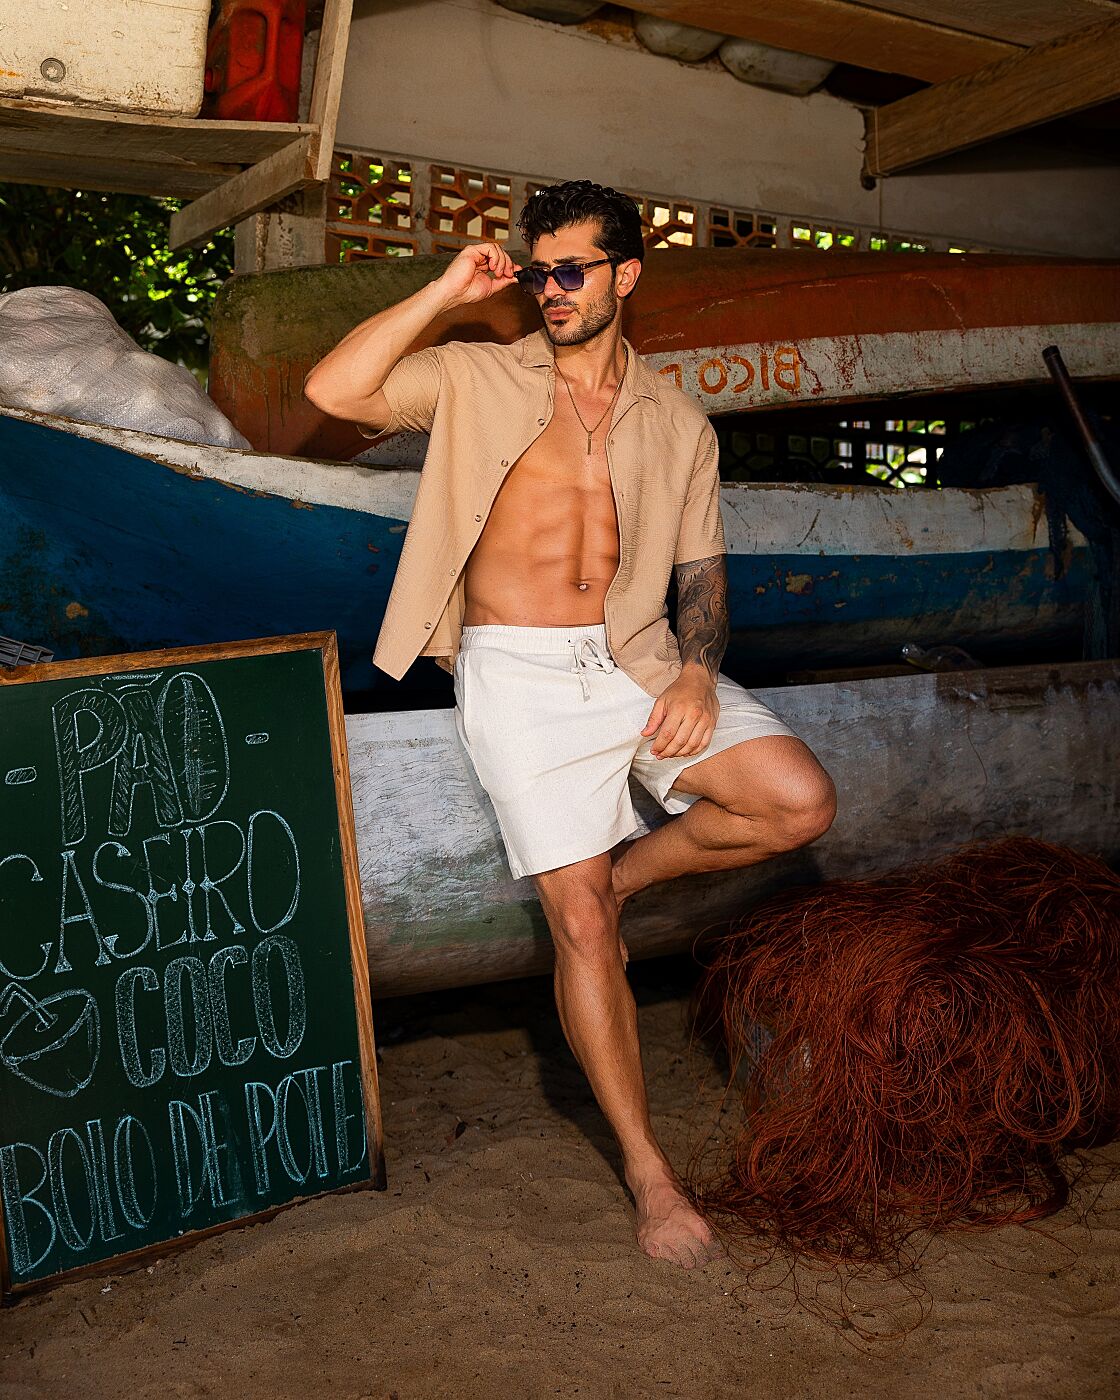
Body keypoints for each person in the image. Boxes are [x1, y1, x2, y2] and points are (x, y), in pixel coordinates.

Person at [304, 180, 837, 1268]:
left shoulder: (677, 420)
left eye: (572, 270)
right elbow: (335, 388)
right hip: (519, 672)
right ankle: (649, 1175)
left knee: (796, 802)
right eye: (538, 271)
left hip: (638, 655)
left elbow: (701, 571)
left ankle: (625, 875)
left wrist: (698, 675)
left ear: (624, 275)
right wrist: (446, 292)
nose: (550, 289)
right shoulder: (477, 373)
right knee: (580, 927)